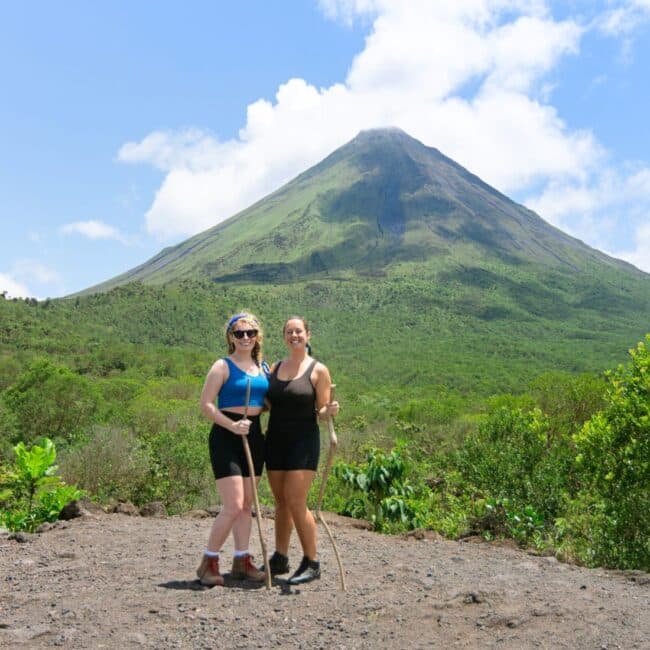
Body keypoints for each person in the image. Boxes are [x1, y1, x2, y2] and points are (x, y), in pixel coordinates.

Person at [264, 316, 340, 585]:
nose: (294, 335)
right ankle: (280, 558)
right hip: (275, 440)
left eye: (298, 331)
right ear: (284, 336)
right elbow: (269, 403)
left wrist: (329, 410)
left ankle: (312, 562)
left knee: (296, 500)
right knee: (281, 501)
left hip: (303, 443)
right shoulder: (274, 367)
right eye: (289, 331)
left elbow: (320, 410)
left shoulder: (319, 370)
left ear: (308, 335)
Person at [196, 312, 269, 586]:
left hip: (254, 435)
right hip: (227, 437)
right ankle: (209, 561)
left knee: (247, 505)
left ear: (257, 335)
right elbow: (206, 404)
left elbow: (272, 400)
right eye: (239, 333)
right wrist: (232, 425)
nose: (245, 337)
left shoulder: (264, 368)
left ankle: (242, 561)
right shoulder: (222, 366)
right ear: (231, 337)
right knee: (234, 504)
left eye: (250, 332)